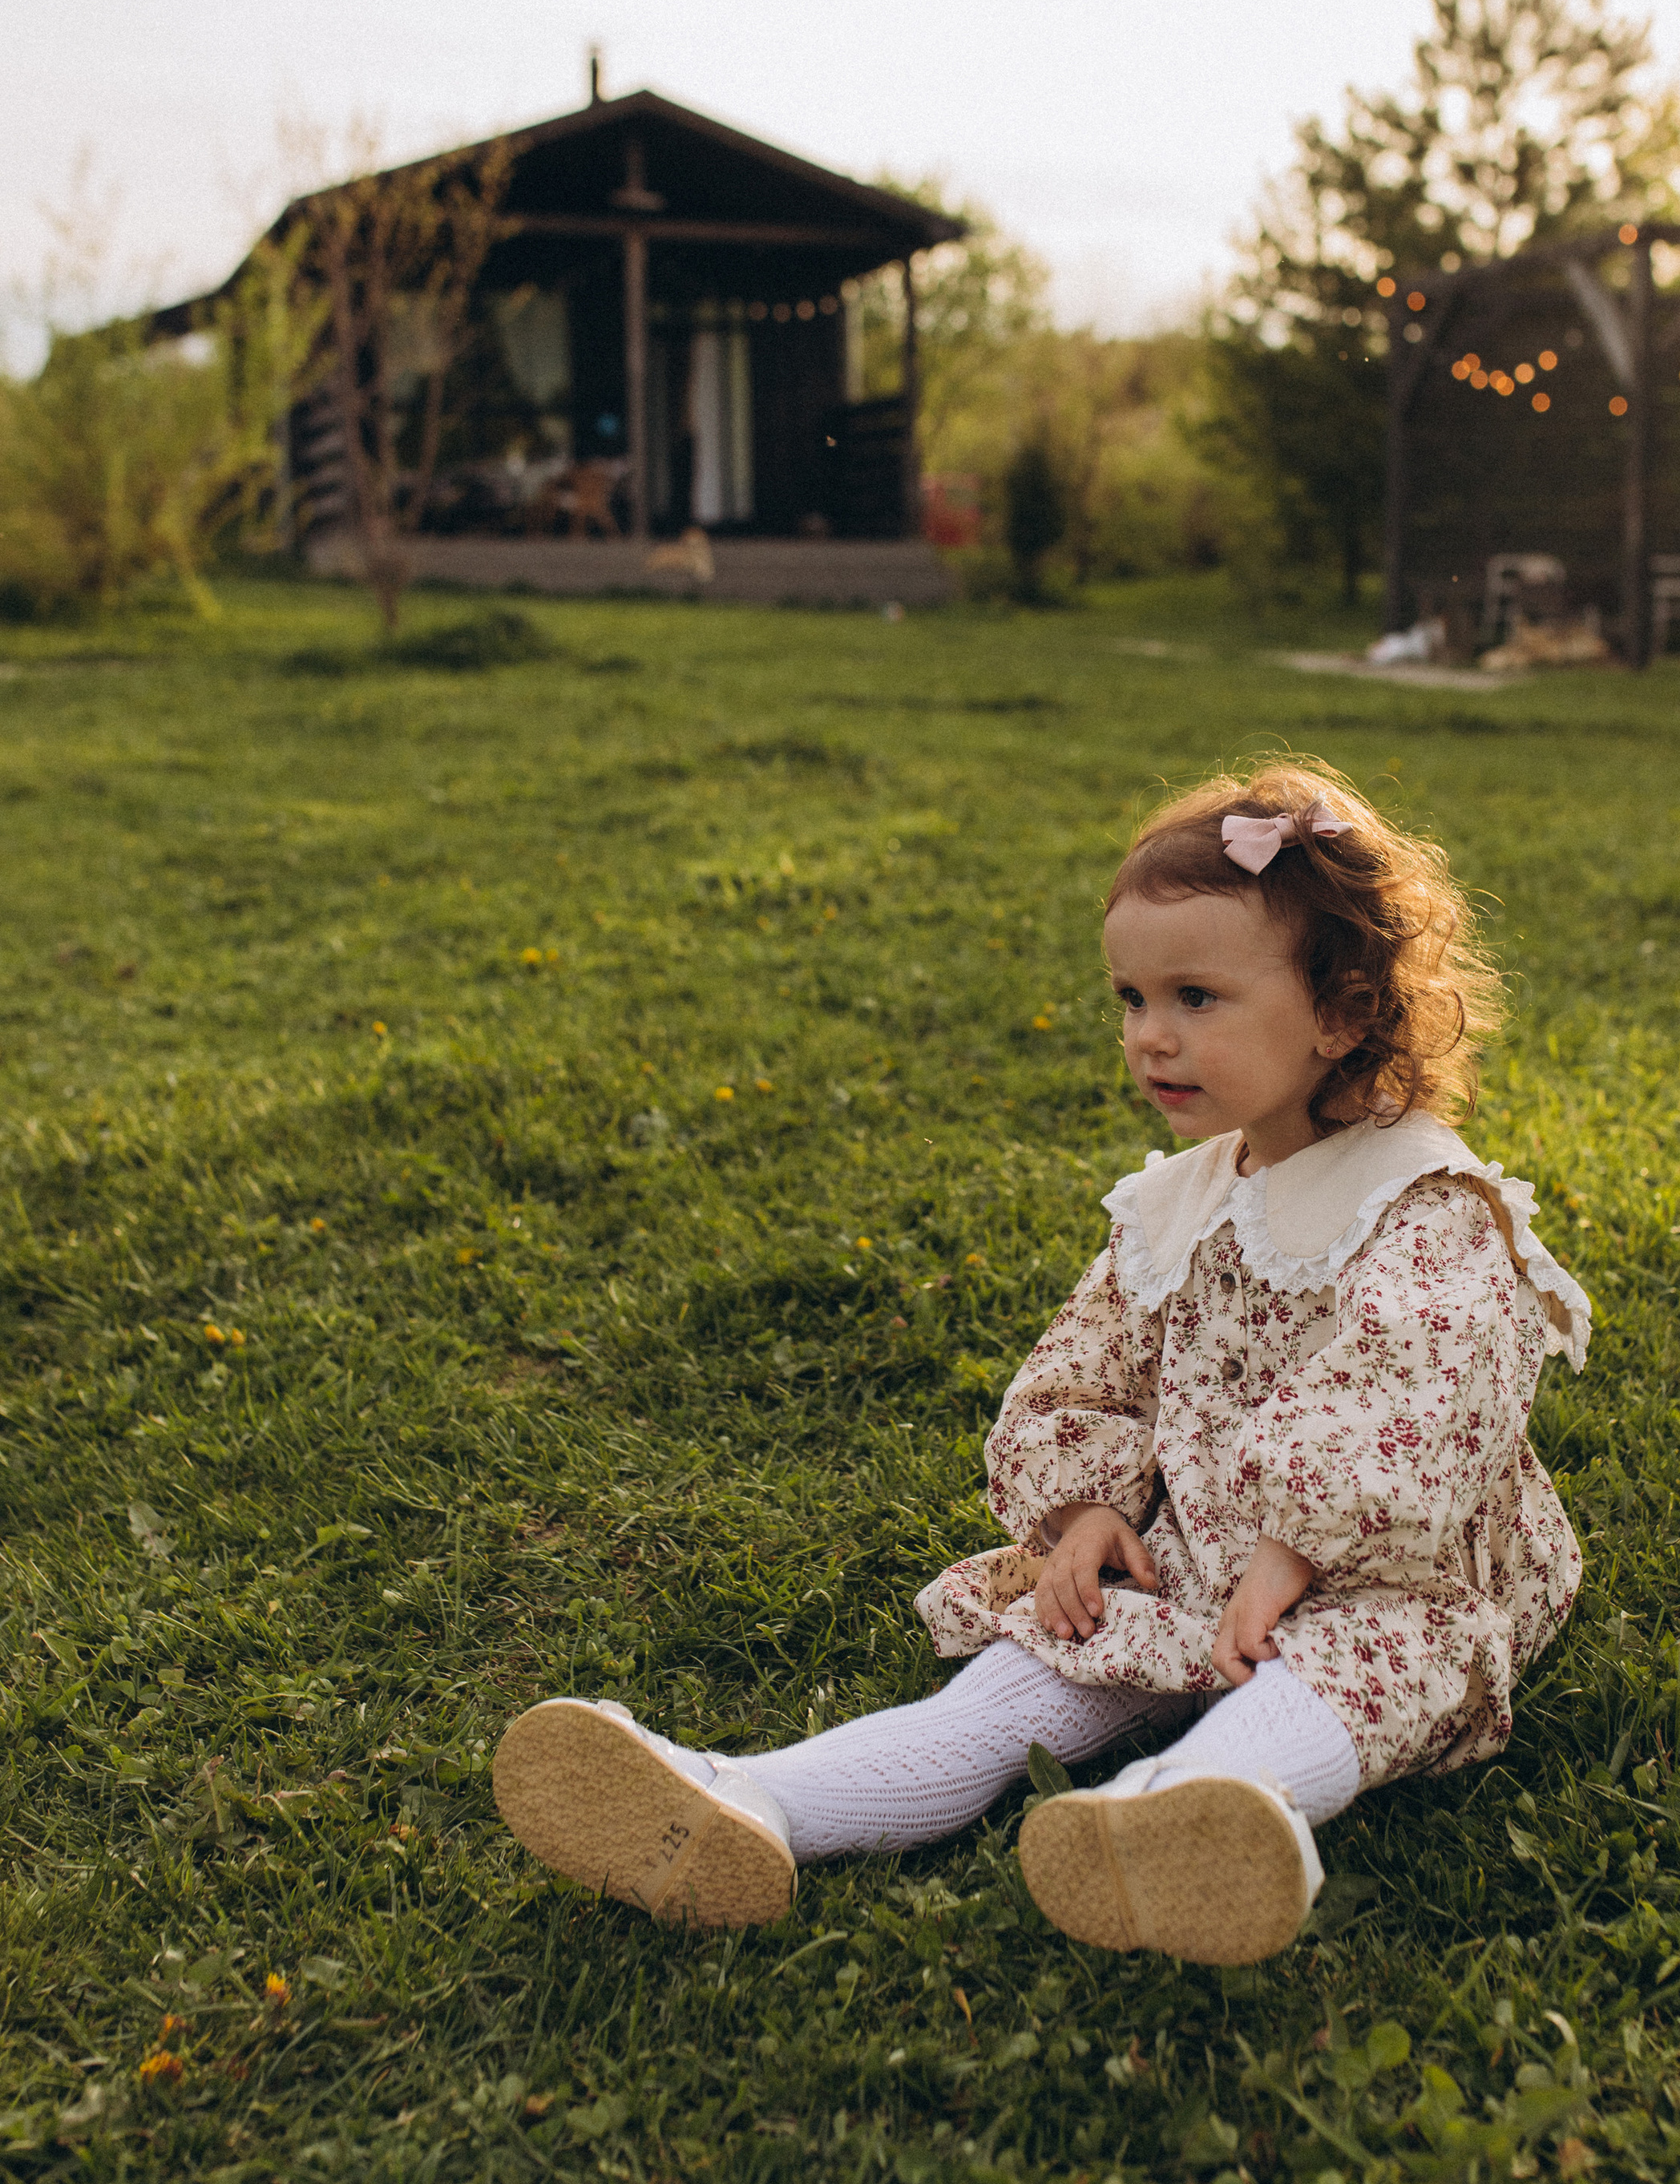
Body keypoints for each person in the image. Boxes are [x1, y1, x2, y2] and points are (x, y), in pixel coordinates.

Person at [493, 760, 1589, 1964]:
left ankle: (1203, 1808)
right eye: (1131, 998)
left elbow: (1418, 1393)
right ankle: (757, 1797)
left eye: (1196, 998)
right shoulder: (1178, 1205)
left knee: (1351, 1672)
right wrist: (1087, 1512)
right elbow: (1085, 1372)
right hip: (1194, 1552)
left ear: (1340, 1012)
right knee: (1039, 1667)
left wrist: (1295, 1554)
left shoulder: (1420, 1202)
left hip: (1388, 1568)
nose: (1151, 1036)